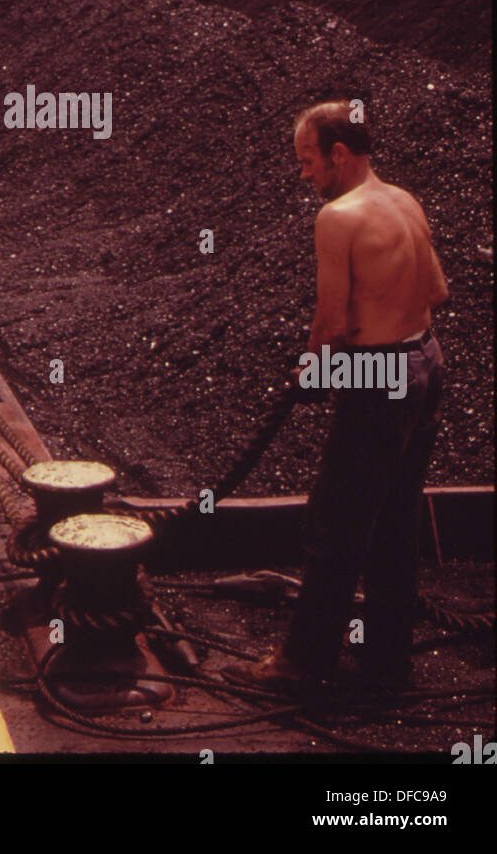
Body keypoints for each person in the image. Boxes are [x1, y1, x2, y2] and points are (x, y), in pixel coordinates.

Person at [225, 99, 449, 693]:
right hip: (427, 361)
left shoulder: (338, 218)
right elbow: (438, 289)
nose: (305, 176)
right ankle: (386, 661)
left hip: (377, 375)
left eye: (308, 161)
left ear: (338, 155)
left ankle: (301, 664)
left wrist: (311, 374)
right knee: (395, 521)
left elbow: (330, 325)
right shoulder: (405, 200)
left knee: (337, 525)